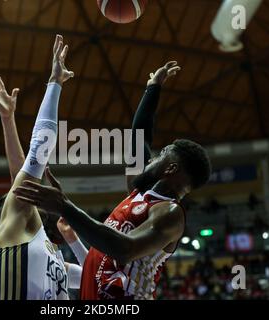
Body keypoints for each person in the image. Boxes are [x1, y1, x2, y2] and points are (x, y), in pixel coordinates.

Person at [15, 61, 212, 300]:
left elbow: (125, 249)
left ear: (170, 169)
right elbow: (141, 138)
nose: (153, 157)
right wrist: (153, 87)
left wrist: (64, 205)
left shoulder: (170, 214)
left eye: (161, 155)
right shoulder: (139, 192)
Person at [0, 35, 83, 300]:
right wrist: (54, 83)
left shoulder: (54, 258)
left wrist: (8, 119)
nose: (23, 192)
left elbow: (96, 275)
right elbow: (36, 155)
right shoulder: (14, 230)